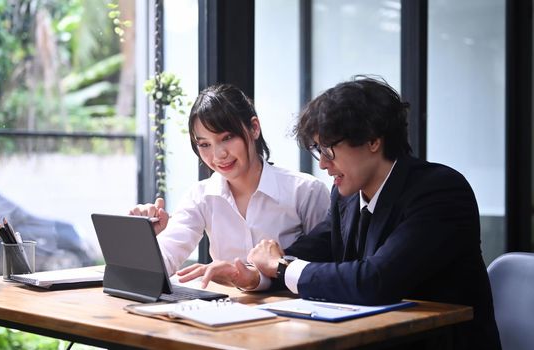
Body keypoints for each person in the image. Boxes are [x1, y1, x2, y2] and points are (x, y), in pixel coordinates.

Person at [188, 76, 501, 349]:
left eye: (328, 150)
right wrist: (254, 274)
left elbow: (376, 280)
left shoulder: (439, 191)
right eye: (318, 151)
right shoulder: (346, 196)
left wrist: (280, 267)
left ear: (372, 141)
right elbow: (311, 252)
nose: (323, 164)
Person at [129, 83, 330, 278]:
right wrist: (144, 239)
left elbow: (324, 267)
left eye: (227, 138)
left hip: (289, 308)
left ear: (254, 128)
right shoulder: (200, 196)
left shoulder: (306, 191)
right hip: (223, 308)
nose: (218, 155)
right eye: (205, 144)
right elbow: (168, 254)